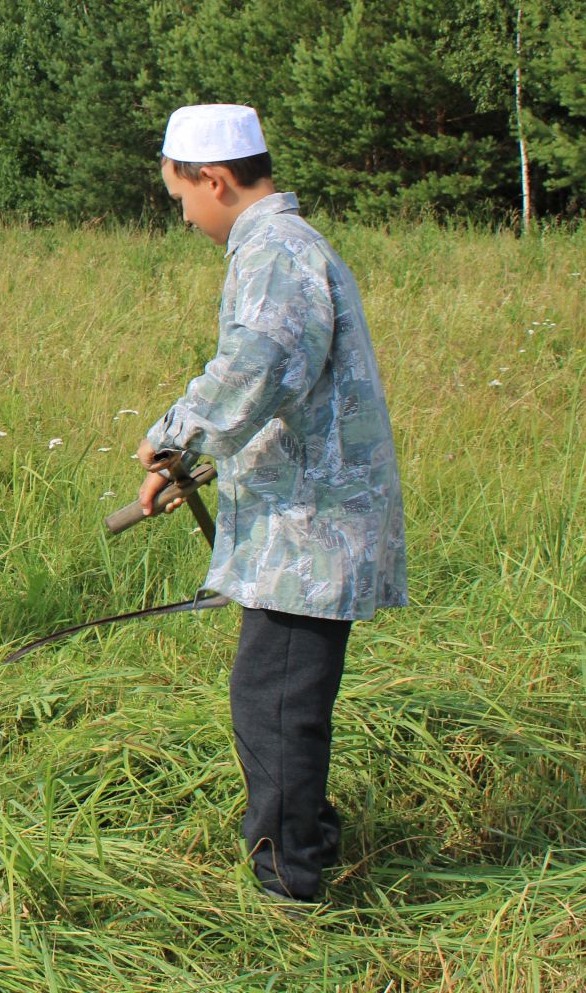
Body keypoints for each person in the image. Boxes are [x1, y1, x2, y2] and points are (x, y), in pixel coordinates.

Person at [136, 103, 406, 904]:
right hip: (303, 524)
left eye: (181, 199)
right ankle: (304, 843)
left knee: (276, 704)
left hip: (311, 533)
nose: (183, 217)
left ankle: (289, 886)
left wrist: (173, 438)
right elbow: (288, 387)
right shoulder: (283, 248)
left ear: (213, 180)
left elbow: (259, 365)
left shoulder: (278, 253)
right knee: (280, 699)